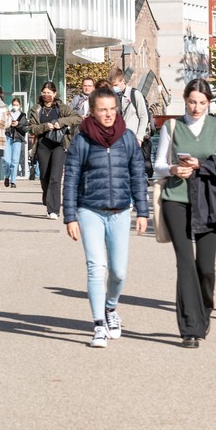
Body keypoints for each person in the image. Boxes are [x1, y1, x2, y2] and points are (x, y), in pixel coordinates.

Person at [63, 86, 149, 347]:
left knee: (119, 272)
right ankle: (98, 324)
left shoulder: (127, 138)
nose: (109, 114)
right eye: (103, 109)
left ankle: (111, 308)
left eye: (112, 109)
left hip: (121, 211)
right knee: (96, 268)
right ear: (93, 111)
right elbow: (71, 179)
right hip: (89, 210)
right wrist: (70, 216)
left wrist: (142, 211)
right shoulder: (82, 140)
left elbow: (138, 176)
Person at [154, 78, 216, 348]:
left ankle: (205, 309)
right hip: (175, 199)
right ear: (185, 100)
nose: (196, 107)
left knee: (205, 267)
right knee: (185, 262)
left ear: (209, 103)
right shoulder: (172, 126)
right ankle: (190, 328)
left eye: (202, 102)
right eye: (192, 102)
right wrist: (174, 170)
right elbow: (158, 165)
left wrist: (202, 165)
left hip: (209, 201)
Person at [29, 81, 82, 219]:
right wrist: (46, 126)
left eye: (49, 93)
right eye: (44, 93)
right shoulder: (36, 109)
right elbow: (32, 128)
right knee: (44, 177)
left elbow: (77, 118)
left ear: (54, 93)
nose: (46, 95)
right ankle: (48, 199)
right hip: (42, 145)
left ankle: (54, 210)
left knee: (55, 177)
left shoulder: (61, 107)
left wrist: (61, 122)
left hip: (59, 144)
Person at [2, 97, 28, 187]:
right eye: (14, 104)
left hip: (17, 138)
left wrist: (18, 124)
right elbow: (2, 124)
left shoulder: (23, 115)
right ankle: (6, 176)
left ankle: (13, 181)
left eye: (17, 105)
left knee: (15, 160)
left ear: (20, 105)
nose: (15, 106)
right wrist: (8, 124)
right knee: (6, 159)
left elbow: (25, 128)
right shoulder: (8, 114)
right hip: (8, 137)